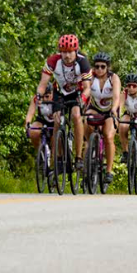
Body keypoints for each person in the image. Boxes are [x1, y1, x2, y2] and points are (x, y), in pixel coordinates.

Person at [35, 34, 92, 172]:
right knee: (56, 122)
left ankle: (78, 157)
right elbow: (43, 84)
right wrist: (38, 95)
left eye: (70, 51)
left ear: (76, 51)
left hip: (78, 93)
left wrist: (83, 98)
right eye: (64, 51)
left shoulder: (82, 62)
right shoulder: (53, 61)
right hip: (60, 93)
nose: (67, 55)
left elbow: (87, 88)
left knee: (76, 115)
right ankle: (58, 158)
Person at [85, 52, 121, 185]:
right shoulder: (90, 77)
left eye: (103, 67)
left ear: (107, 67)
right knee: (85, 120)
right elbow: (84, 90)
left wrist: (113, 110)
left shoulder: (113, 78)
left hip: (110, 110)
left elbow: (117, 97)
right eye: (97, 66)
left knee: (108, 136)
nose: (99, 69)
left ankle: (109, 171)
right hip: (94, 107)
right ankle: (89, 154)